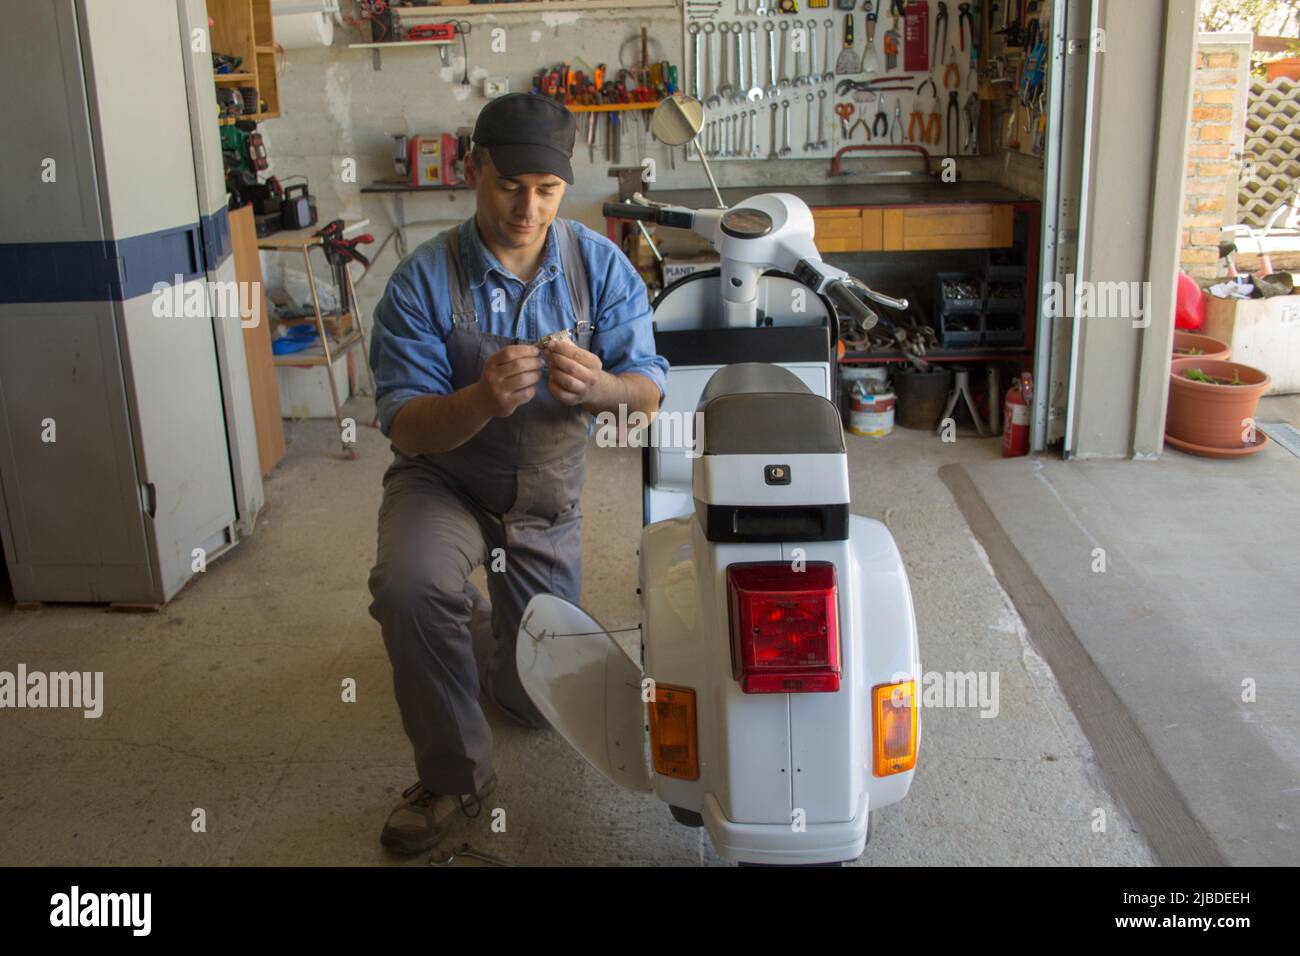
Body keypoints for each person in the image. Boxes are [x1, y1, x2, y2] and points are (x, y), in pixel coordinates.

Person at [366, 93, 669, 855]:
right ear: (474, 171)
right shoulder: (421, 279)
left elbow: (647, 399)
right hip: (445, 483)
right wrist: (477, 401)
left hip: (542, 508)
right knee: (411, 584)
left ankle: (475, 633)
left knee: (534, 705)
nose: (528, 208)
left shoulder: (599, 267)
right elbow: (404, 422)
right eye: (509, 185)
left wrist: (600, 388)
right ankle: (453, 782)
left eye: (548, 190)